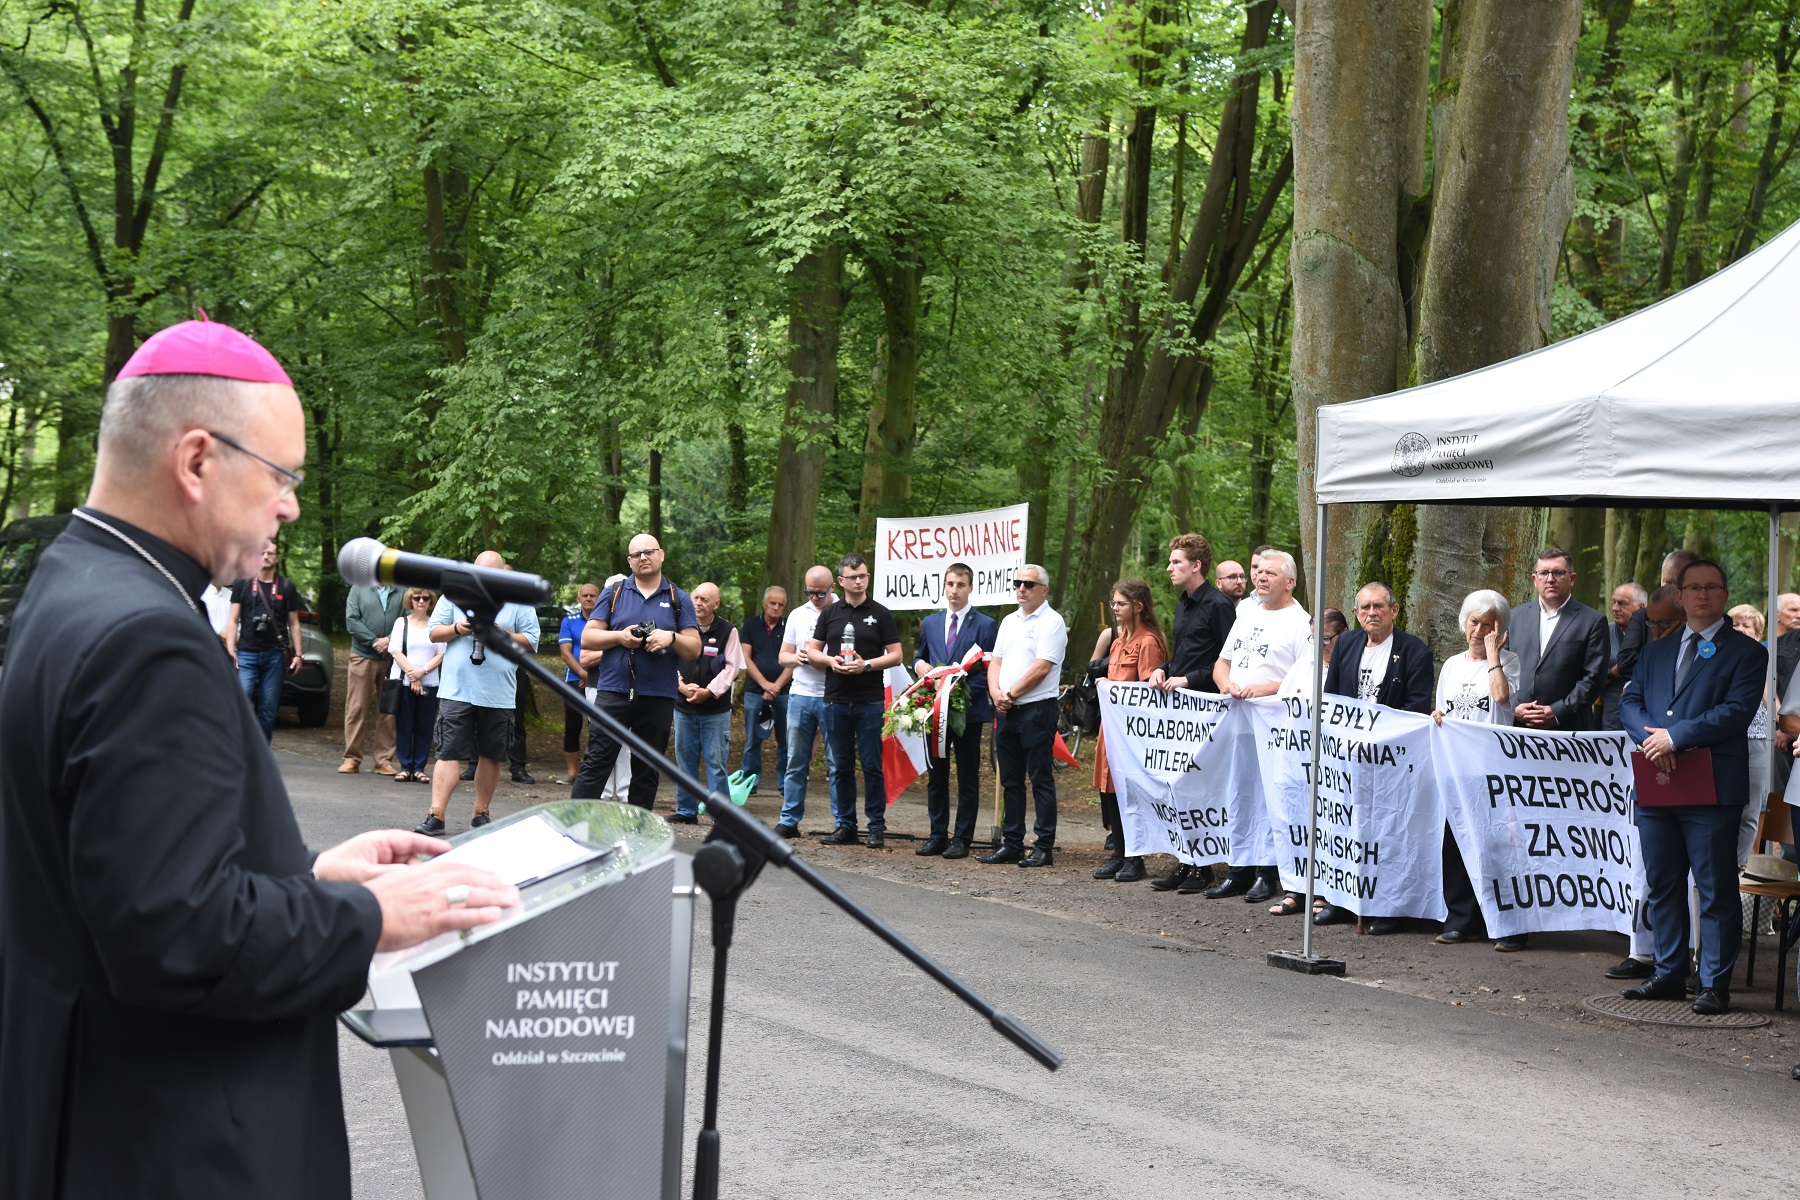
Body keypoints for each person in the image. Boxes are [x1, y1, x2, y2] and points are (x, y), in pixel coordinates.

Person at [0, 318, 517, 1198]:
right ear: (197, 461)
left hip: (88, 1102)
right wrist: (372, 917)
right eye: (282, 476)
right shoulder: (148, 637)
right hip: (171, 1140)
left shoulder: (72, 581)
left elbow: (122, 870)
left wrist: (307, 875)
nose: (290, 507)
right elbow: (178, 937)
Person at [1619, 558, 1763, 1015]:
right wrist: (1653, 740)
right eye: (1694, 588)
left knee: (1714, 887)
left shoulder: (1747, 653)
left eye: (1712, 587)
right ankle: (1668, 972)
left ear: (1724, 595)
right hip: (1658, 782)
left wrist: (1675, 737)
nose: (1703, 594)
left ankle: (1714, 983)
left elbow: (1736, 711)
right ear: (1678, 596)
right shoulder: (1656, 651)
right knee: (1663, 882)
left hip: (1712, 787)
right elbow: (1630, 703)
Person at [1310, 582, 1434, 931]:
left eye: (1378, 606)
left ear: (1394, 610)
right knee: (1345, 830)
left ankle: (1388, 908)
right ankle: (1341, 901)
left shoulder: (1414, 652)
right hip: (1347, 759)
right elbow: (1333, 698)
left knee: (1387, 834)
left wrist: (1376, 741)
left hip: (1390, 762)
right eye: (1364, 607)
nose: (1371, 613)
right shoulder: (1346, 643)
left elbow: (1415, 710)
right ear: (1356, 613)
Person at [1208, 549, 1310, 902]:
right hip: (1239, 720)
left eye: (1270, 573)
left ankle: (1268, 872)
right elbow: (1222, 663)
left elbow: (1305, 678)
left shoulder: (1301, 623)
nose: (1261, 577)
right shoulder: (1246, 615)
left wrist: (1264, 689)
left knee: (1271, 795)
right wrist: (1226, 684)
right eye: (1260, 571)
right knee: (1239, 791)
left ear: (1290, 582)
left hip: (1276, 724)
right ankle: (1238, 868)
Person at [412, 553, 540, 834]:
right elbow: (433, 632)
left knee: (491, 754)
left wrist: (501, 634)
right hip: (457, 688)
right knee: (448, 752)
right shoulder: (455, 594)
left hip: (499, 691)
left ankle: (481, 813)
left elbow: (532, 640)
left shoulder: (518, 598)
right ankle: (436, 814)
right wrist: (458, 628)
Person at [570, 535, 701, 809]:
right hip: (614, 691)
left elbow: (694, 648)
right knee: (596, 762)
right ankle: (575, 825)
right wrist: (620, 637)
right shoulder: (614, 592)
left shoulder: (679, 598)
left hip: (658, 695)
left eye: (649, 552)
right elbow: (589, 637)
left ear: (661, 555)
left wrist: (670, 638)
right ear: (629, 561)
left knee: (647, 769)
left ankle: (637, 831)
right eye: (636, 554)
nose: (643, 558)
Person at [1143, 532, 1237, 893]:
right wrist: (1163, 669)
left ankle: (1204, 867)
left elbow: (1228, 661)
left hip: (1209, 709)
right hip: (1180, 709)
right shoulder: (1182, 603)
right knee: (1177, 785)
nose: (1169, 568)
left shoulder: (1219, 605)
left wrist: (1189, 679)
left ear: (1196, 566)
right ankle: (1186, 860)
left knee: (1201, 787)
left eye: (1176, 562)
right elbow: (1184, 654)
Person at [1428, 590, 1521, 946]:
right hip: (1457, 769)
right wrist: (1438, 715)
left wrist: (1494, 655)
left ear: (1501, 630)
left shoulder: (1509, 661)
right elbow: (1443, 710)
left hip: (1492, 769)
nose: (1479, 631)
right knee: (1456, 843)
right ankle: (1462, 918)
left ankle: (1509, 924)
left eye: (1488, 625)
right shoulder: (1452, 665)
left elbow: (1501, 698)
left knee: (1497, 844)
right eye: (1474, 622)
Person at [809, 554, 904, 848]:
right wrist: (830, 661)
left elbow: (896, 655)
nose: (859, 581)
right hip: (835, 699)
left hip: (869, 700)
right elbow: (812, 652)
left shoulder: (881, 613)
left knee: (872, 765)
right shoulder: (829, 613)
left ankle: (876, 826)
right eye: (852, 577)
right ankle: (845, 825)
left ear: (868, 577)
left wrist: (867, 665)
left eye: (863, 576)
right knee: (840, 766)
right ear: (841, 581)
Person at [978, 563, 1068, 866]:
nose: (1021, 588)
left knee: (1040, 777)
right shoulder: (1009, 621)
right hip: (1006, 709)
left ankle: (1043, 845)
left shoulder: (1052, 622)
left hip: (1036, 709)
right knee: (1011, 779)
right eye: (1017, 583)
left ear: (1044, 590)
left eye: (1029, 584)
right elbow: (996, 662)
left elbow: (1042, 668)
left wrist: (1010, 694)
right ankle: (1012, 842)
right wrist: (996, 693)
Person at [913, 562, 998, 859]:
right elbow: (920, 658)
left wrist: (957, 692)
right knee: (936, 775)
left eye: (961, 585)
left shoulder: (985, 625)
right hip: (934, 711)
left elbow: (989, 670)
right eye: (950, 584)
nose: (954, 590)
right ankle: (937, 835)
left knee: (967, 776)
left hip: (968, 713)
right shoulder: (931, 623)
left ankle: (962, 838)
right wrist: (919, 666)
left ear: (970, 587)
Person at [1093, 578, 1168, 883]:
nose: (1115, 608)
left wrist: (1113, 688)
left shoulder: (1148, 642)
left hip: (1131, 732)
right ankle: (1120, 852)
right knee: (1110, 790)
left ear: (1138, 606)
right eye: (1113, 603)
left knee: (1131, 792)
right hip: (1110, 729)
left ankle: (1135, 858)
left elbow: (1150, 691)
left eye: (1121, 603)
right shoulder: (1117, 641)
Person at [1509, 547, 1609, 732]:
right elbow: (1501, 668)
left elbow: (1594, 678)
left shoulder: (1593, 621)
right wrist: (1512, 708)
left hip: (1567, 730)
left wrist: (1558, 712)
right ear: (1534, 579)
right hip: (1517, 728)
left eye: (1558, 572)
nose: (1550, 579)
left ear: (1572, 578)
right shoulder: (1513, 618)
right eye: (1543, 573)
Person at [775, 566, 837, 838]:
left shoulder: (842, 612)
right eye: (809, 592)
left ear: (833, 587)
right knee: (795, 761)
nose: (814, 598)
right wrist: (798, 658)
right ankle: (789, 820)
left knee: (836, 763)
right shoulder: (798, 615)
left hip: (833, 695)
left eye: (820, 593)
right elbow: (783, 657)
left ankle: (842, 823)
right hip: (800, 694)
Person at [672, 582, 742, 823]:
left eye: (704, 599)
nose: (698, 603)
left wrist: (709, 691)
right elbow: (669, 660)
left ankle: (721, 815)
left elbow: (732, 668)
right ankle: (686, 811)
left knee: (716, 764)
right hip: (683, 707)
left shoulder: (728, 631)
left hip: (715, 711)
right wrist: (680, 685)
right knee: (685, 762)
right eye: (696, 598)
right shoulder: (680, 627)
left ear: (716, 604)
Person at [225, 539, 303, 741]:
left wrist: (298, 654)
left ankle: (262, 750)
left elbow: (294, 623)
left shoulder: (286, 587)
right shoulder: (242, 584)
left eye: (270, 554)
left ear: (277, 559)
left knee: (268, 707)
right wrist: (231, 650)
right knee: (241, 700)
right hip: (246, 652)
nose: (266, 557)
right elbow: (233, 620)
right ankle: (241, 747)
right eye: (262, 553)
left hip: (275, 654)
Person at [342, 577, 404, 774]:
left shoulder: (401, 590)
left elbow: (409, 620)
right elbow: (352, 620)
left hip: (393, 659)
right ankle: (351, 758)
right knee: (356, 707)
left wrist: (389, 641)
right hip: (362, 655)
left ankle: (383, 760)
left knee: (389, 710)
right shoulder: (358, 588)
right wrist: (373, 641)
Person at [1728, 604, 1773, 867]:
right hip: (1722, 740)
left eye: (1747, 626)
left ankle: (1738, 867)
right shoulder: (1715, 660)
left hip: (1756, 740)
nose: (1740, 629)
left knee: (1750, 810)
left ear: (1758, 635)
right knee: (1722, 809)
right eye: (1735, 624)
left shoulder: (1765, 660)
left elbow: (1773, 706)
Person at [739, 585, 793, 795]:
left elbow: (794, 660)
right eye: (772, 603)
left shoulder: (790, 626)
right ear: (764, 603)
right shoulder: (751, 626)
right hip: (755, 691)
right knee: (752, 740)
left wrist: (776, 686)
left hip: (785, 691)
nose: (776, 607)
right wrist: (765, 685)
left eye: (781, 604)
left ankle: (785, 784)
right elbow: (746, 658)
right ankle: (749, 783)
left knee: (786, 740)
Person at [387, 588, 445, 783]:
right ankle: (405, 767)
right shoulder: (401, 622)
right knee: (404, 724)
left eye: (425, 598)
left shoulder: (437, 625)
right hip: (404, 682)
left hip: (430, 683)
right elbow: (395, 651)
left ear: (431, 601)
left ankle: (419, 768)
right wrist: (413, 676)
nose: (421, 601)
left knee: (425, 725)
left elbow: (441, 654)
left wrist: (423, 672)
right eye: (417, 598)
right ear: (410, 600)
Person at [558, 582, 602, 780]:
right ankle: (572, 773)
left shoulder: (605, 622)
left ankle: (593, 772)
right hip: (574, 680)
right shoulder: (569, 621)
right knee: (572, 726)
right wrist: (584, 674)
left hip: (600, 681)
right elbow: (565, 653)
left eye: (592, 595)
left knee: (597, 727)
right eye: (585, 595)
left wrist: (591, 676)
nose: (588, 599)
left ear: (599, 598)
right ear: (578, 599)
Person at [1601, 582, 1648, 730]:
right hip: (1612, 720)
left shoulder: (1656, 633)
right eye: (1614, 602)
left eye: (1622, 604)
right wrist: (1614, 672)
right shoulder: (1603, 633)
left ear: (1641, 607)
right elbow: (1590, 677)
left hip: (1646, 718)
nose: (1615, 608)